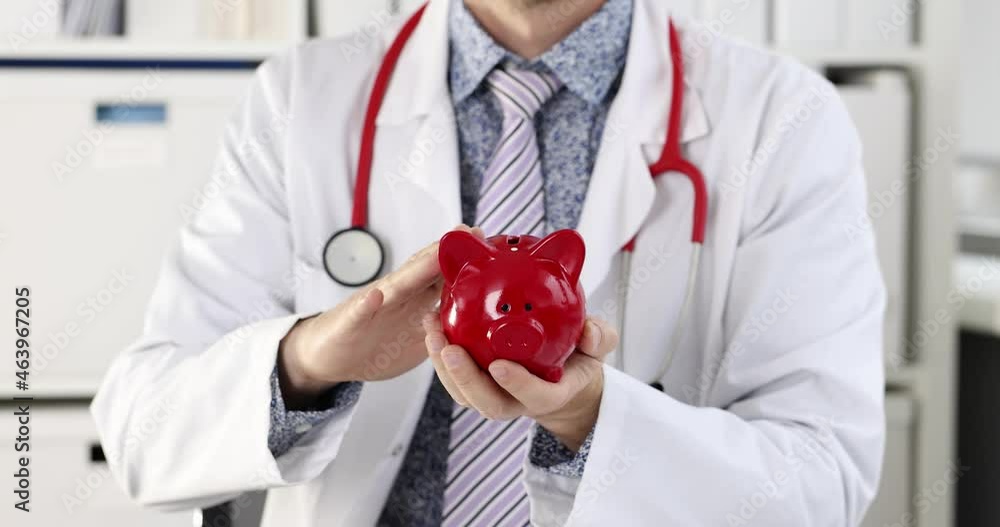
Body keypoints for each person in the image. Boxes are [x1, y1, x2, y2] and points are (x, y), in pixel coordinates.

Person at [91, 0, 887, 525]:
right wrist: (308, 361)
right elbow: (141, 432)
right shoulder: (300, 98)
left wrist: (592, 420)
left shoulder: (783, 120)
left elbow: (822, 482)